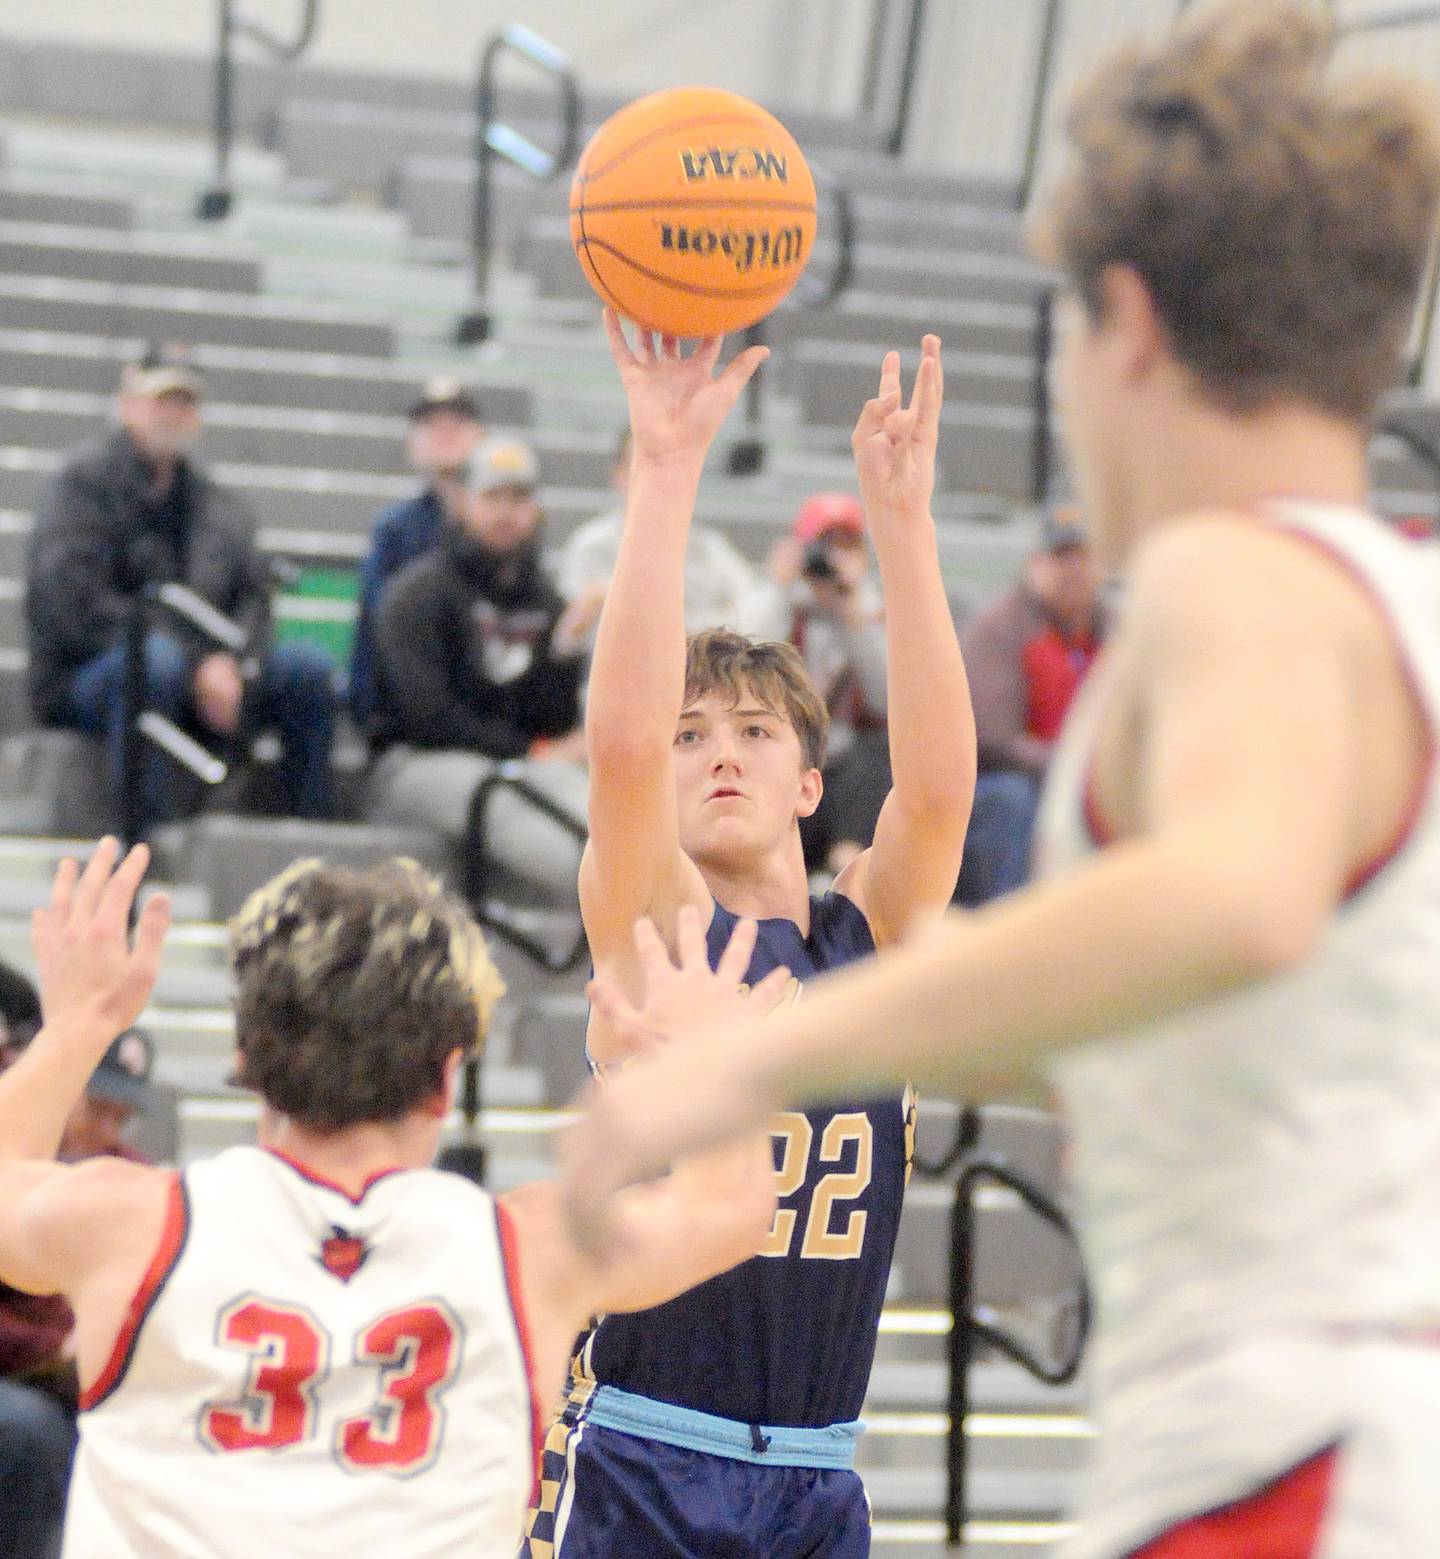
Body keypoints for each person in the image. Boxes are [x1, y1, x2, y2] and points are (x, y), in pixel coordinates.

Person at [563, 5, 1440, 1557]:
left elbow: (1238, 898)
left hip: (1290, 1447)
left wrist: (757, 1059)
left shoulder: (1245, 581)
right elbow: (1235, 1013)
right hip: (1338, 1422)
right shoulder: (1395, 598)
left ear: (1127, 324)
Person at [0, 838, 781, 1556]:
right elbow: (732, 1205)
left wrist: (77, 1024)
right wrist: (708, 1056)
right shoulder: (529, 1250)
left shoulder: (131, 1223)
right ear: (446, 1079)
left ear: (248, 1059)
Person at [523, 318, 974, 1558]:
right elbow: (619, 748)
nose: (718, 751)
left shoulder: (871, 934)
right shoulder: (657, 922)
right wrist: (666, 474)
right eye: (693, 733)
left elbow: (940, 790)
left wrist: (904, 526)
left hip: (818, 1471)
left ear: (809, 782)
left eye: (754, 732)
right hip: (642, 1452)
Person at [25, 342, 337, 834]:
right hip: (91, 675)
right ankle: (145, 838)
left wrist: (236, 662)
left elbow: (253, 597)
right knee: (155, 663)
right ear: (128, 405)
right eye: (161, 400)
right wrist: (195, 664)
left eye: (185, 402)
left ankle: (311, 834)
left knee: (306, 670)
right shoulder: (80, 487)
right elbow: (71, 609)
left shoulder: (216, 502)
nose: (173, 414)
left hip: (199, 668)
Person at [365, 436, 596, 902]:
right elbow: (426, 717)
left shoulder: (544, 598)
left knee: (586, 796)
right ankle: (615, 895)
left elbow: (552, 722)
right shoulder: (417, 592)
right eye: (492, 496)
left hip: (519, 762)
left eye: (519, 497)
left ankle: (640, 890)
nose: (506, 512)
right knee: (506, 802)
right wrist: (531, 750)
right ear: (462, 502)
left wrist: (564, 652)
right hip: (415, 762)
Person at [0, 993, 154, 1559]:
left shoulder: (133, 1179)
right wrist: (54, 1348)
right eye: (99, 1108)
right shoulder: (13, 1165)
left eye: (122, 1116)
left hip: (79, 1376)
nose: (108, 1129)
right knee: (30, 1430)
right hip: (23, 1372)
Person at [955, 508, 1102, 904]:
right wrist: (1075, 767)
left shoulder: (1113, 629)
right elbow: (992, 739)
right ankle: (1009, 917)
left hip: (1080, 776)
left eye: (1083, 556)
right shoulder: (998, 628)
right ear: (1035, 565)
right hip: (1002, 781)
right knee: (1013, 800)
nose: (1074, 570)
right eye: (1061, 557)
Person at [348, 378, 486, 723]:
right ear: (412, 442)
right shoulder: (395, 531)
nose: (445, 433)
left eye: (457, 423)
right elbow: (376, 630)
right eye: (431, 425)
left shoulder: (503, 530)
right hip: (409, 711)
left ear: (481, 437)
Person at [556, 428, 756, 634]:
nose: (660, 479)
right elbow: (573, 635)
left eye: (670, 467)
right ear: (619, 473)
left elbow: (750, 613)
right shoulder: (592, 545)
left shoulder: (708, 546)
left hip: (693, 654)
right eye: (647, 466)